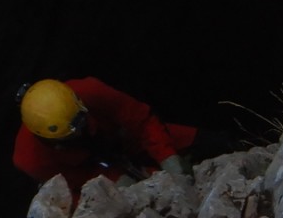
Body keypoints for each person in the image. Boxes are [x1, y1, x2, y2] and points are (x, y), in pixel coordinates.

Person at [12, 77, 197, 198]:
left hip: (126, 139)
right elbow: (75, 181)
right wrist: (115, 181)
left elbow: (140, 120)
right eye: (73, 133)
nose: (80, 131)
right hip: (93, 168)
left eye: (81, 122)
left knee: (204, 144)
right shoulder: (31, 159)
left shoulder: (89, 91)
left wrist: (169, 158)